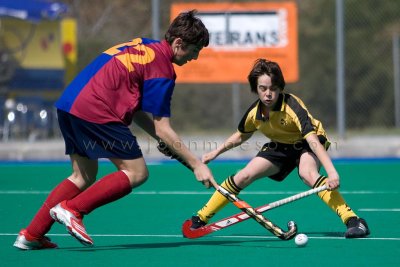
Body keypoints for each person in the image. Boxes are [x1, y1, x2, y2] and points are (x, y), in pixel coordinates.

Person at [13, 10, 218, 250]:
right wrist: (196, 164)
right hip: (96, 109)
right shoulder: (162, 67)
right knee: (136, 172)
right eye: (194, 51)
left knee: (83, 176)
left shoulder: (146, 47)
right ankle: (72, 210)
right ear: (178, 43)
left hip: (70, 105)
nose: (193, 58)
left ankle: (32, 235)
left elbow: (140, 113)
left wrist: (165, 143)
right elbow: (164, 128)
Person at [187, 59, 370, 238]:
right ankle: (201, 217)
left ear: (280, 88)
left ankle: (354, 220)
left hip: (306, 142)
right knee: (244, 175)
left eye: (273, 89)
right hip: (281, 145)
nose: (268, 94)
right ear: (255, 89)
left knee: (308, 174)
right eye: (263, 88)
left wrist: (332, 173)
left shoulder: (292, 106)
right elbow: (242, 134)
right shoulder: (254, 113)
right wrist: (215, 152)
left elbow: (312, 140)